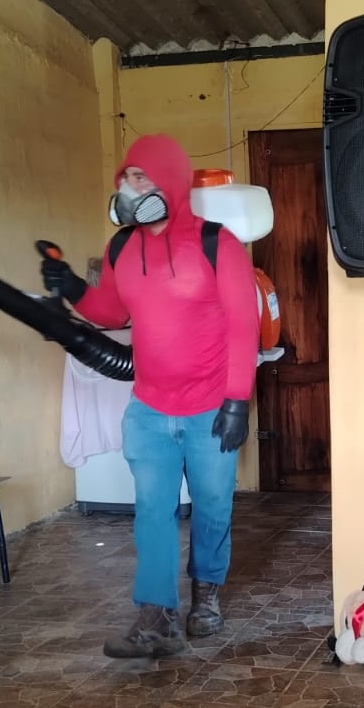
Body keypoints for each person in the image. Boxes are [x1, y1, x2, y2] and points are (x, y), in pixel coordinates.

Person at [41, 134, 259, 658]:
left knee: (212, 508)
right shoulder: (122, 247)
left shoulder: (218, 243)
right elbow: (111, 311)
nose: (129, 187)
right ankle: (156, 618)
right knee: (152, 514)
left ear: (169, 181)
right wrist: (69, 285)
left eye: (140, 177)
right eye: (125, 178)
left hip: (211, 408)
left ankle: (206, 597)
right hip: (150, 409)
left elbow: (243, 325)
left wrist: (237, 402)